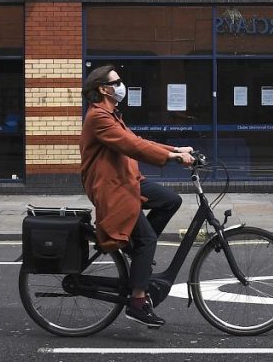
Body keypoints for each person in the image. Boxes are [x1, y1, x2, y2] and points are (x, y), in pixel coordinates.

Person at [79, 64, 195, 329]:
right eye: (116, 81)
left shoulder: (111, 114)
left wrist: (174, 148)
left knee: (170, 200)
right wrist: (171, 157)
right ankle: (137, 302)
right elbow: (131, 146)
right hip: (113, 188)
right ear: (103, 89)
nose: (121, 85)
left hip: (127, 181)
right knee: (148, 240)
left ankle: (137, 248)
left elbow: (136, 139)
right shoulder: (98, 117)